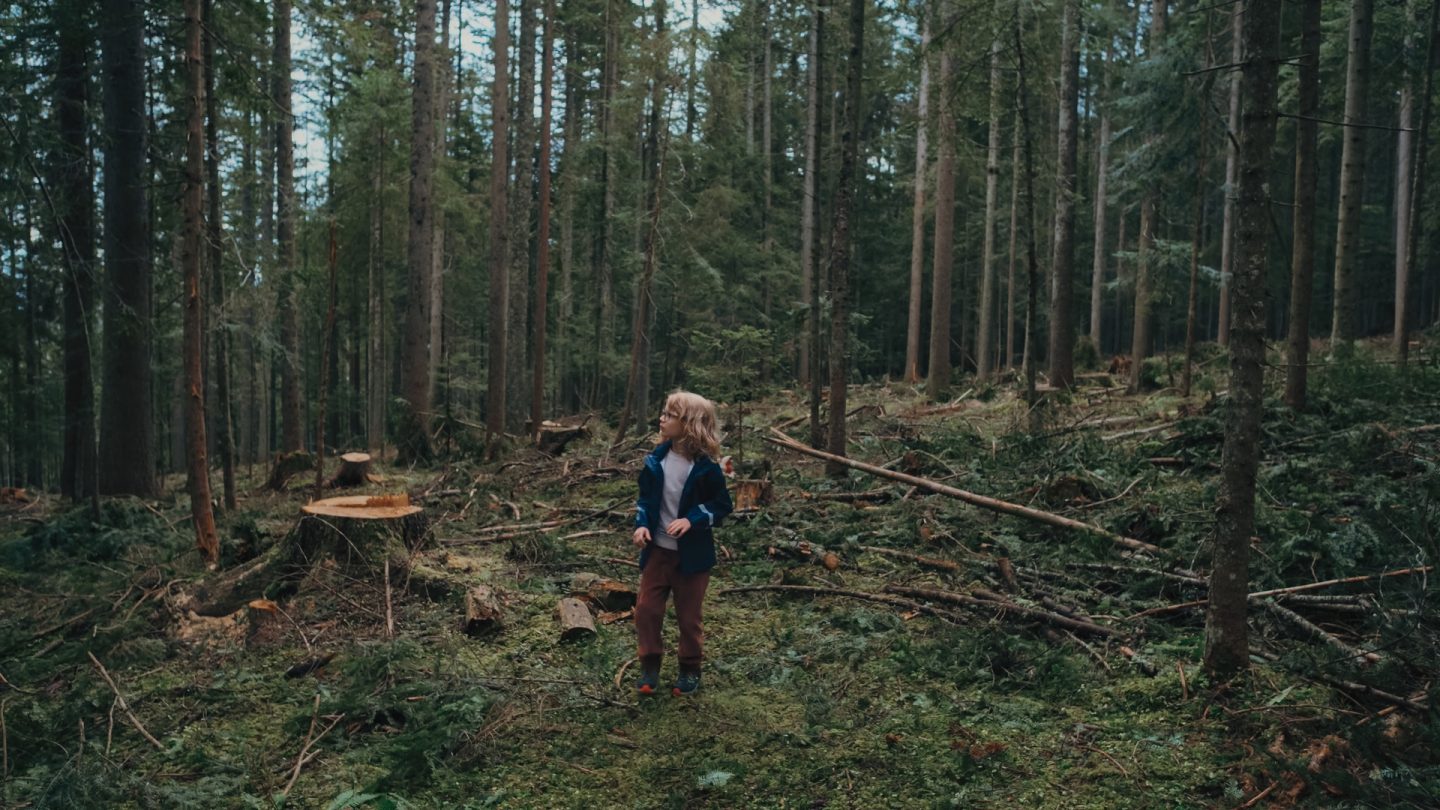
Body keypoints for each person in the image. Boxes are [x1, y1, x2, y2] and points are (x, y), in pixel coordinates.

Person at [631, 390, 733, 696]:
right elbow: (645, 501)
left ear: (689, 423)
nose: (662, 419)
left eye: (670, 415)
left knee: (689, 617)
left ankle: (690, 668)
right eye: (664, 413)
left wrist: (692, 519)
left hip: (692, 559)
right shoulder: (655, 461)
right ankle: (650, 665)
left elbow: (721, 505)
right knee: (647, 610)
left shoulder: (706, 468)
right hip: (658, 553)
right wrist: (641, 526)